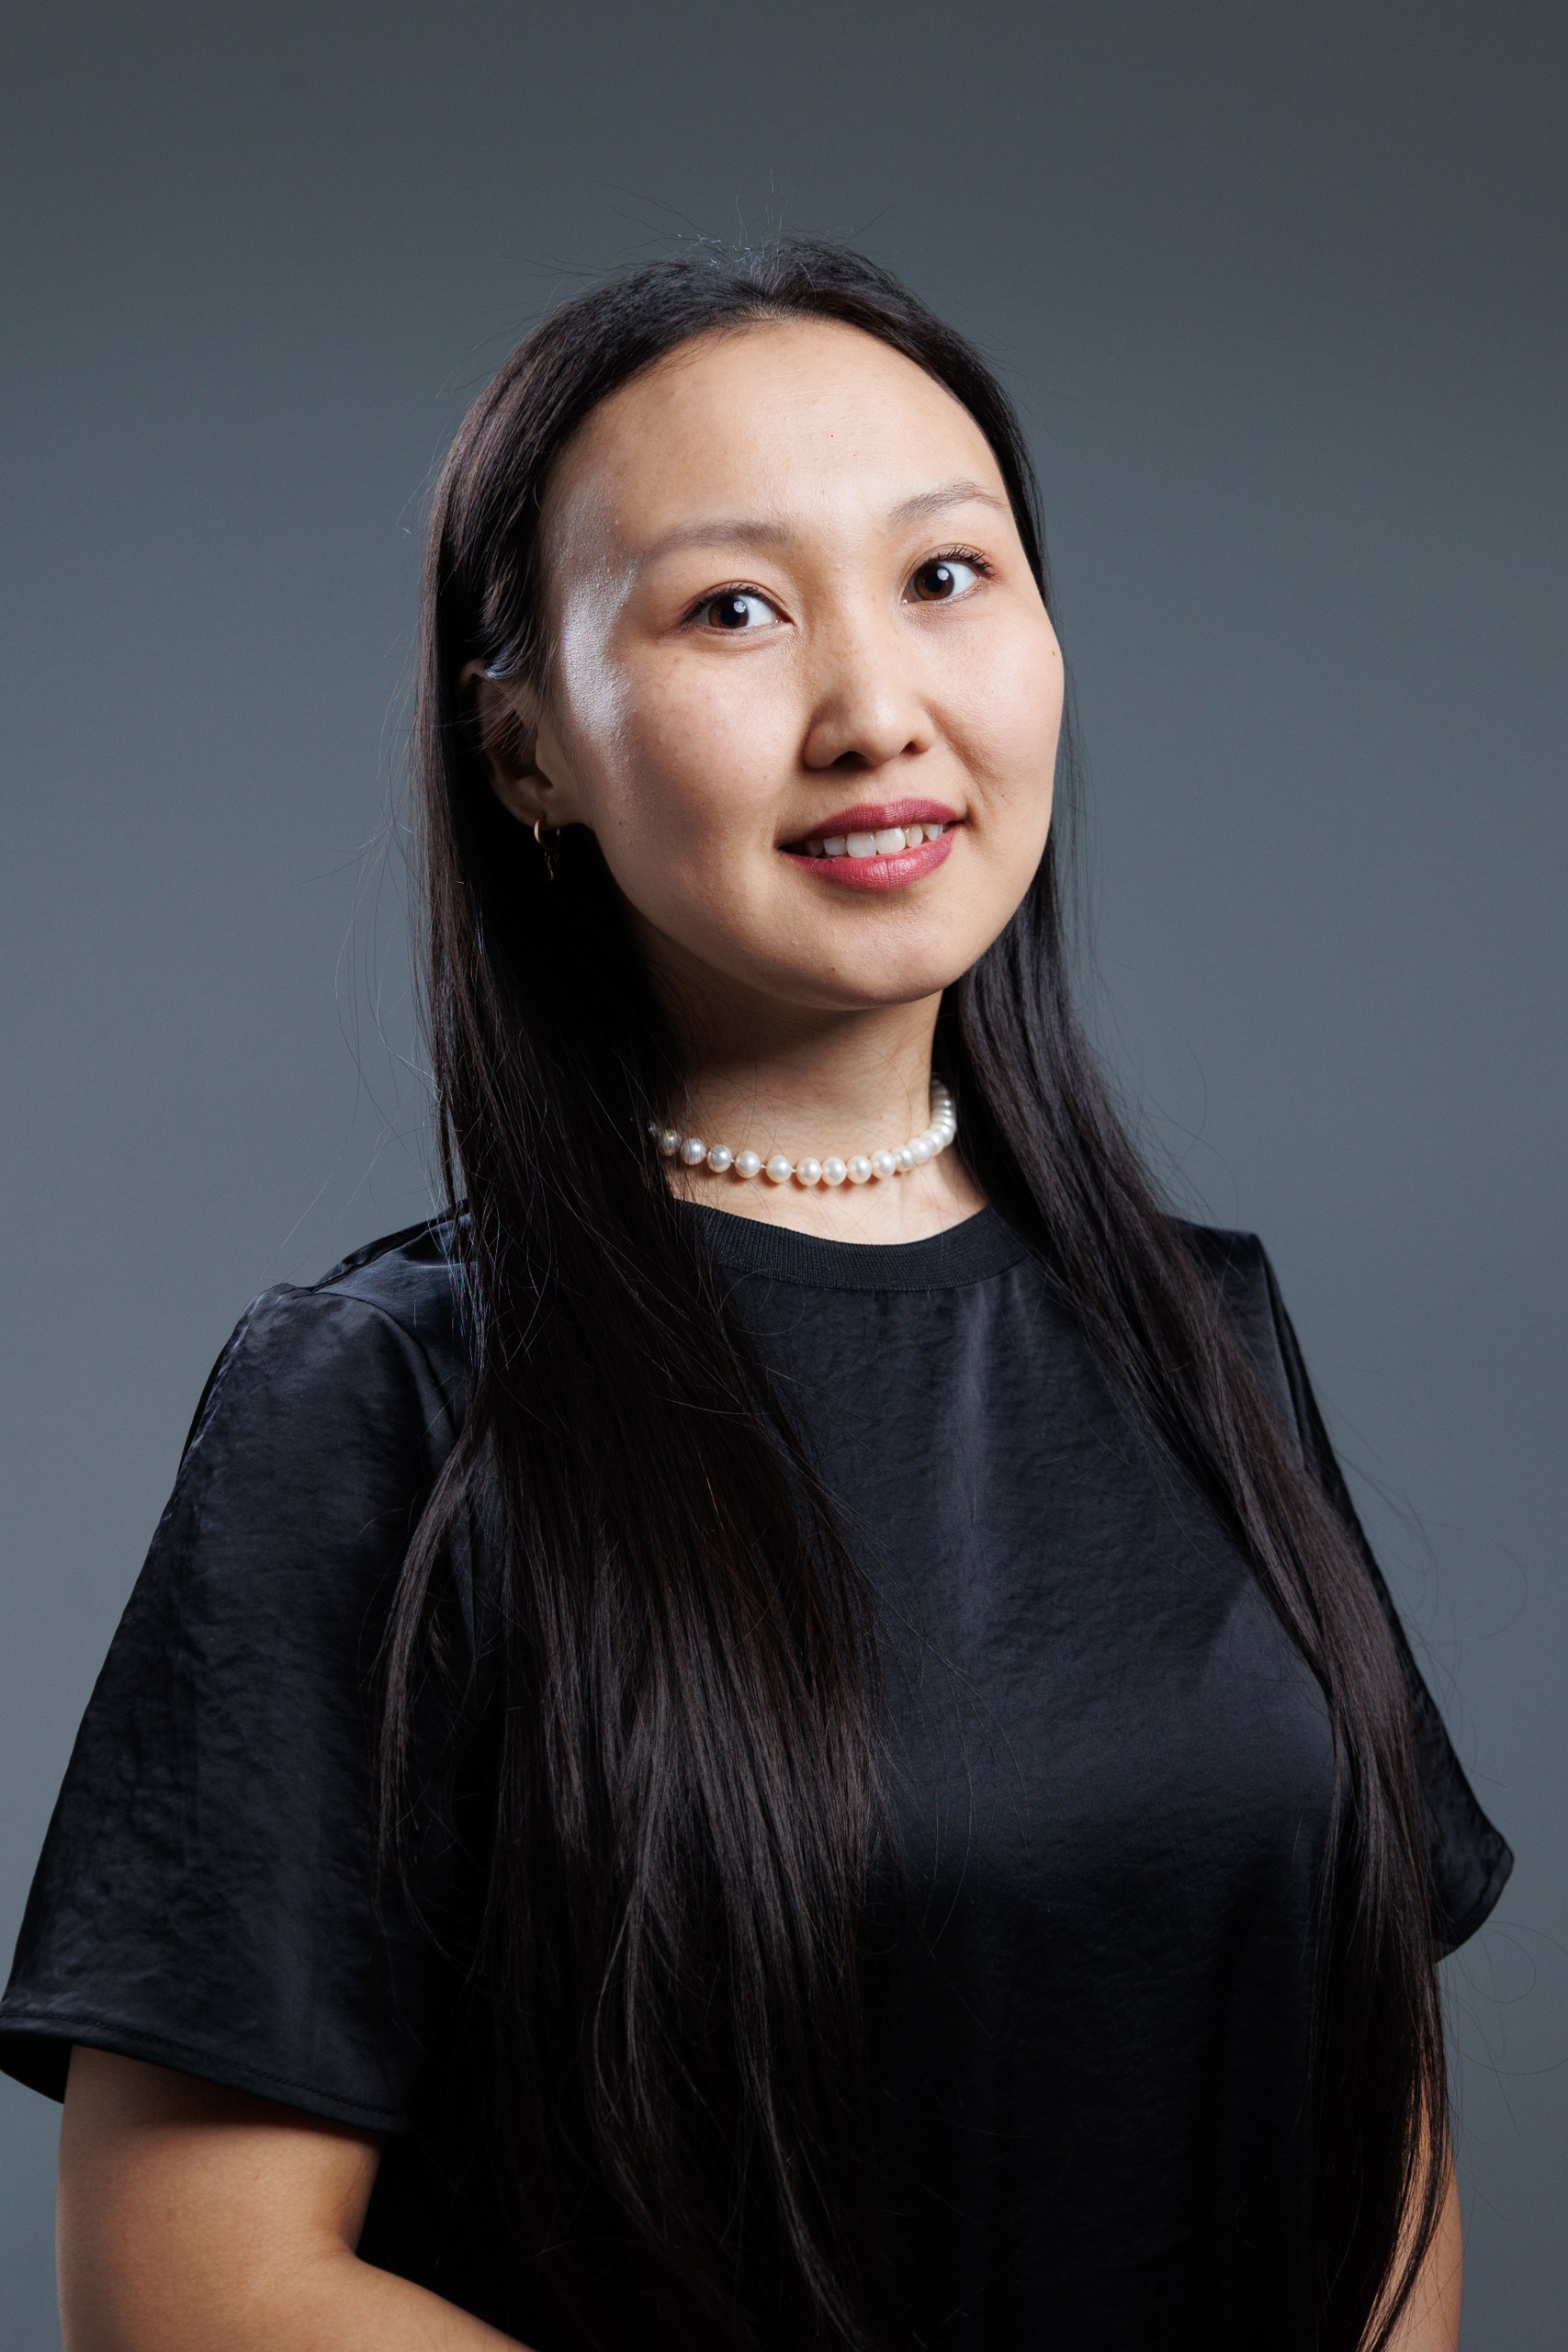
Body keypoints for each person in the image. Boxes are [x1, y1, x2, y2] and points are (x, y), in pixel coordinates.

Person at [0, 243, 1509, 2352]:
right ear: (524, 748)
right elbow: (190, 2286)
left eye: (944, 575)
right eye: (731, 607)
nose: (874, 708)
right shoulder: (383, 1405)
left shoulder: (1204, 1332)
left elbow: (1371, 2085)